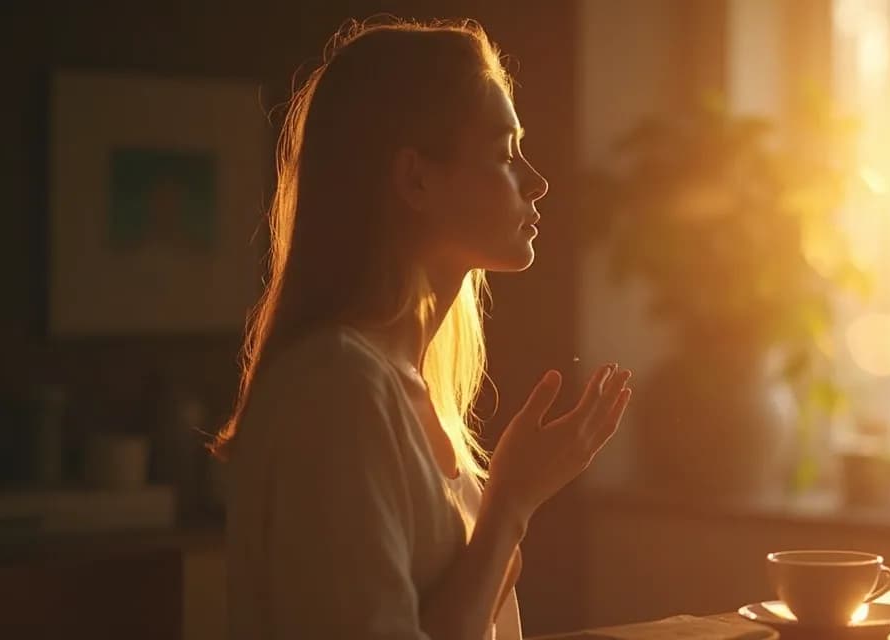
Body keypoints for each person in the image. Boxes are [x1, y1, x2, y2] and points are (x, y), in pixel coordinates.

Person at [210, 18, 633, 640]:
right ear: (415, 178)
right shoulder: (339, 391)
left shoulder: (411, 389)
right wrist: (509, 506)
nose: (537, 183)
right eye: (503, 154)